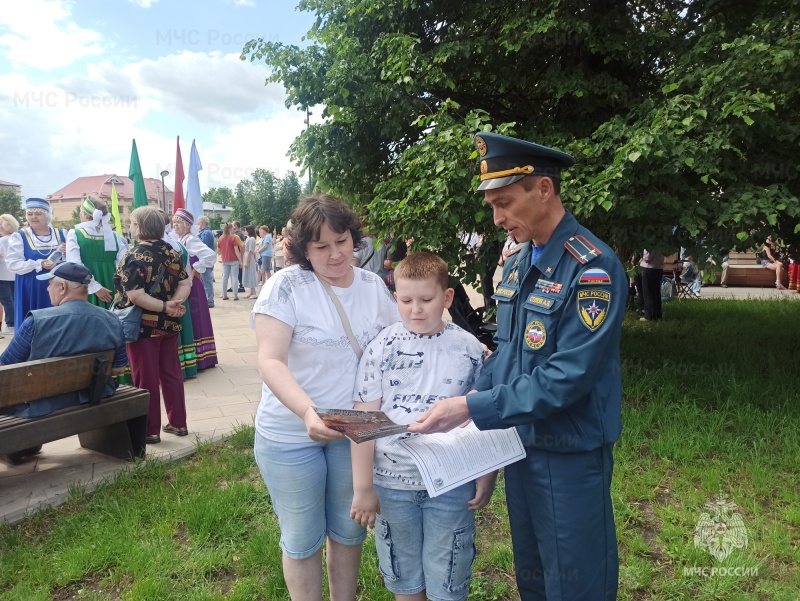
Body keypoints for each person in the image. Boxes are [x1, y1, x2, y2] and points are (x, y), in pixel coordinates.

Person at [408, 132, 626, 601]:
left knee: (576, 579)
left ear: (543, 189)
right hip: (520, 445)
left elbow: (567, 376)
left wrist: (471, 407)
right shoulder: (518, 263)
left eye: (504, 203)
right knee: (533, 573)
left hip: (569, 449)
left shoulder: (592, 269)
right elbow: (506, 354)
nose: (497, 218)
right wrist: (464, 420)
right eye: (491, 206)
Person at [251, 194, 399, 601]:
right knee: (301, 536)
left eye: (343, 241)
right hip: (291, 432)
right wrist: (307, 412)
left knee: (349, 528)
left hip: (355, 430)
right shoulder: (285, 288)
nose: (336, 255)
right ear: (303, 250)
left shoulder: (372, 286)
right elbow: (270, 360)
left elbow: (404, 339)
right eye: (322, 247)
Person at [350, 252, 495, 601]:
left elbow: (486, 416)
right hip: (391, 488)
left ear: (446, 298)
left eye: (426, 300)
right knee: (406, 580)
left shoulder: (471, 349)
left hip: (451, 484)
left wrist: (487, 474)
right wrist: (363, 488)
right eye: (405, 300)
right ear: (395, 296)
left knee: (448, 579)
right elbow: (364, 421)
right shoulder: (380, 348)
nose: (416, 309)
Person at [0, 262, 127, 417]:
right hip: (94, 397)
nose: (47, 289)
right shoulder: (113, 319)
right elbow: (118, 368)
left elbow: (5, 366)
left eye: (49, 284)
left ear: (62, 288)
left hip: (42, 406)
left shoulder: (36, 321)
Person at [113, 206, 192, 444]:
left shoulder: (132, 256)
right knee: (171, 373)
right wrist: (174, 303)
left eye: (132, 223)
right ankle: (178, 423)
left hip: (142, 327)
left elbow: (135, 295)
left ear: (138, 227)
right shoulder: (172, 251)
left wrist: (165, 306)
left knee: (144, 377)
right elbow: (186, 282)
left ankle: (149, 430)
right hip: (170, 324)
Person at [5, 198, 67, 329]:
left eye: (38, 214)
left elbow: (73, 261)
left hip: (58, 285)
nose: (33, 217)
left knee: (55, 323)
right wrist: (38, 264)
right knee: (32, 323)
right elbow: (13, 264)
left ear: (47, 215)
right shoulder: (19, 236)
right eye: (29, 214)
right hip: (30, 285)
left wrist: (67, 254)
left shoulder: (61, 234)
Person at [171, 209, 219, 371]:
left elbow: (211, 255)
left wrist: (196, 269)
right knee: (189, 319)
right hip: (184, 285)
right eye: (174, 221)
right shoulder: (178, 240)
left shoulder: (190, 240)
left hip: (192, 285)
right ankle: (194, 357)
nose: (175, 224)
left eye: (178, 222)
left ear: (186, 224)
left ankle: (203, 357)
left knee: (196, 318)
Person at [65, 198, 128, 309]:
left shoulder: (75, 234)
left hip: (85, 286)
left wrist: (95, 287)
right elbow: (123, 264)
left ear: (84, 214)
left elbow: (74, 265)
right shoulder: (114, 236)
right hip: (112, 284)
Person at [0, 213, 20, 336]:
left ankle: (10, 323)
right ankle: (15, 322)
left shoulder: (2, 241)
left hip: (2, 274)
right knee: (14, 298)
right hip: (15, 273)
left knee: (6, 299)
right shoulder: (17, 238)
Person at [217, 223, 243, 301]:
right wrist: (240, 261)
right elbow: (236, 250)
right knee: (234, 277)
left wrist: (224, 254)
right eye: (232, 227)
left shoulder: (220, 238)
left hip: (225, 260)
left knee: (225, 277)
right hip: (234, 260)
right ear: (229, 228)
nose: (233, 228)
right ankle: (235, 295)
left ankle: (224, 294)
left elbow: (218, 251)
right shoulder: (233, 238)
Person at [196, 215, 217, 307]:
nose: (197, 224)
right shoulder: (206, 232)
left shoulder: (205, 233)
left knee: (207, 281)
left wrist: (197, 237)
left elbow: (201, 244)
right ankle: (208, 299)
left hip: (206, 260)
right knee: (206, 280)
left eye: (199, 222)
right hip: (206, 260)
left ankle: (209, 300)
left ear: (202, 223)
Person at [639, 249, 664, 321]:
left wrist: (641, 259)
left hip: (649, 268)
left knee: (648, 293)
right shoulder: (661, 242)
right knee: (656, 293)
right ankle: (657, 314)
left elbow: (647, 258)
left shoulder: (650, 244)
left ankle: (649, 315)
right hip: (659, 268)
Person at [241, 225, 259, 298]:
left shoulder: (252, 239)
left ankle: (254, 292)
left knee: (251, 273)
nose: (245, 231)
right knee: (248, 274)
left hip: (249, 257)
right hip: (246, 256)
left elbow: (251, 251)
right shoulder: (248, 238)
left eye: (246, 230)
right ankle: (251, 292)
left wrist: (247, 261)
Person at [232, 221, 247, 293]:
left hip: (238, 255)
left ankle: (241, 285)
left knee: (239, 271)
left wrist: (240, 256)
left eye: (232, 225)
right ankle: (237, 285)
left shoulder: (239, 235)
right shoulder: (238, 234)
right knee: (237, 272)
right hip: (237, 255)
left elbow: (242, 246)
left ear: (235, 226)